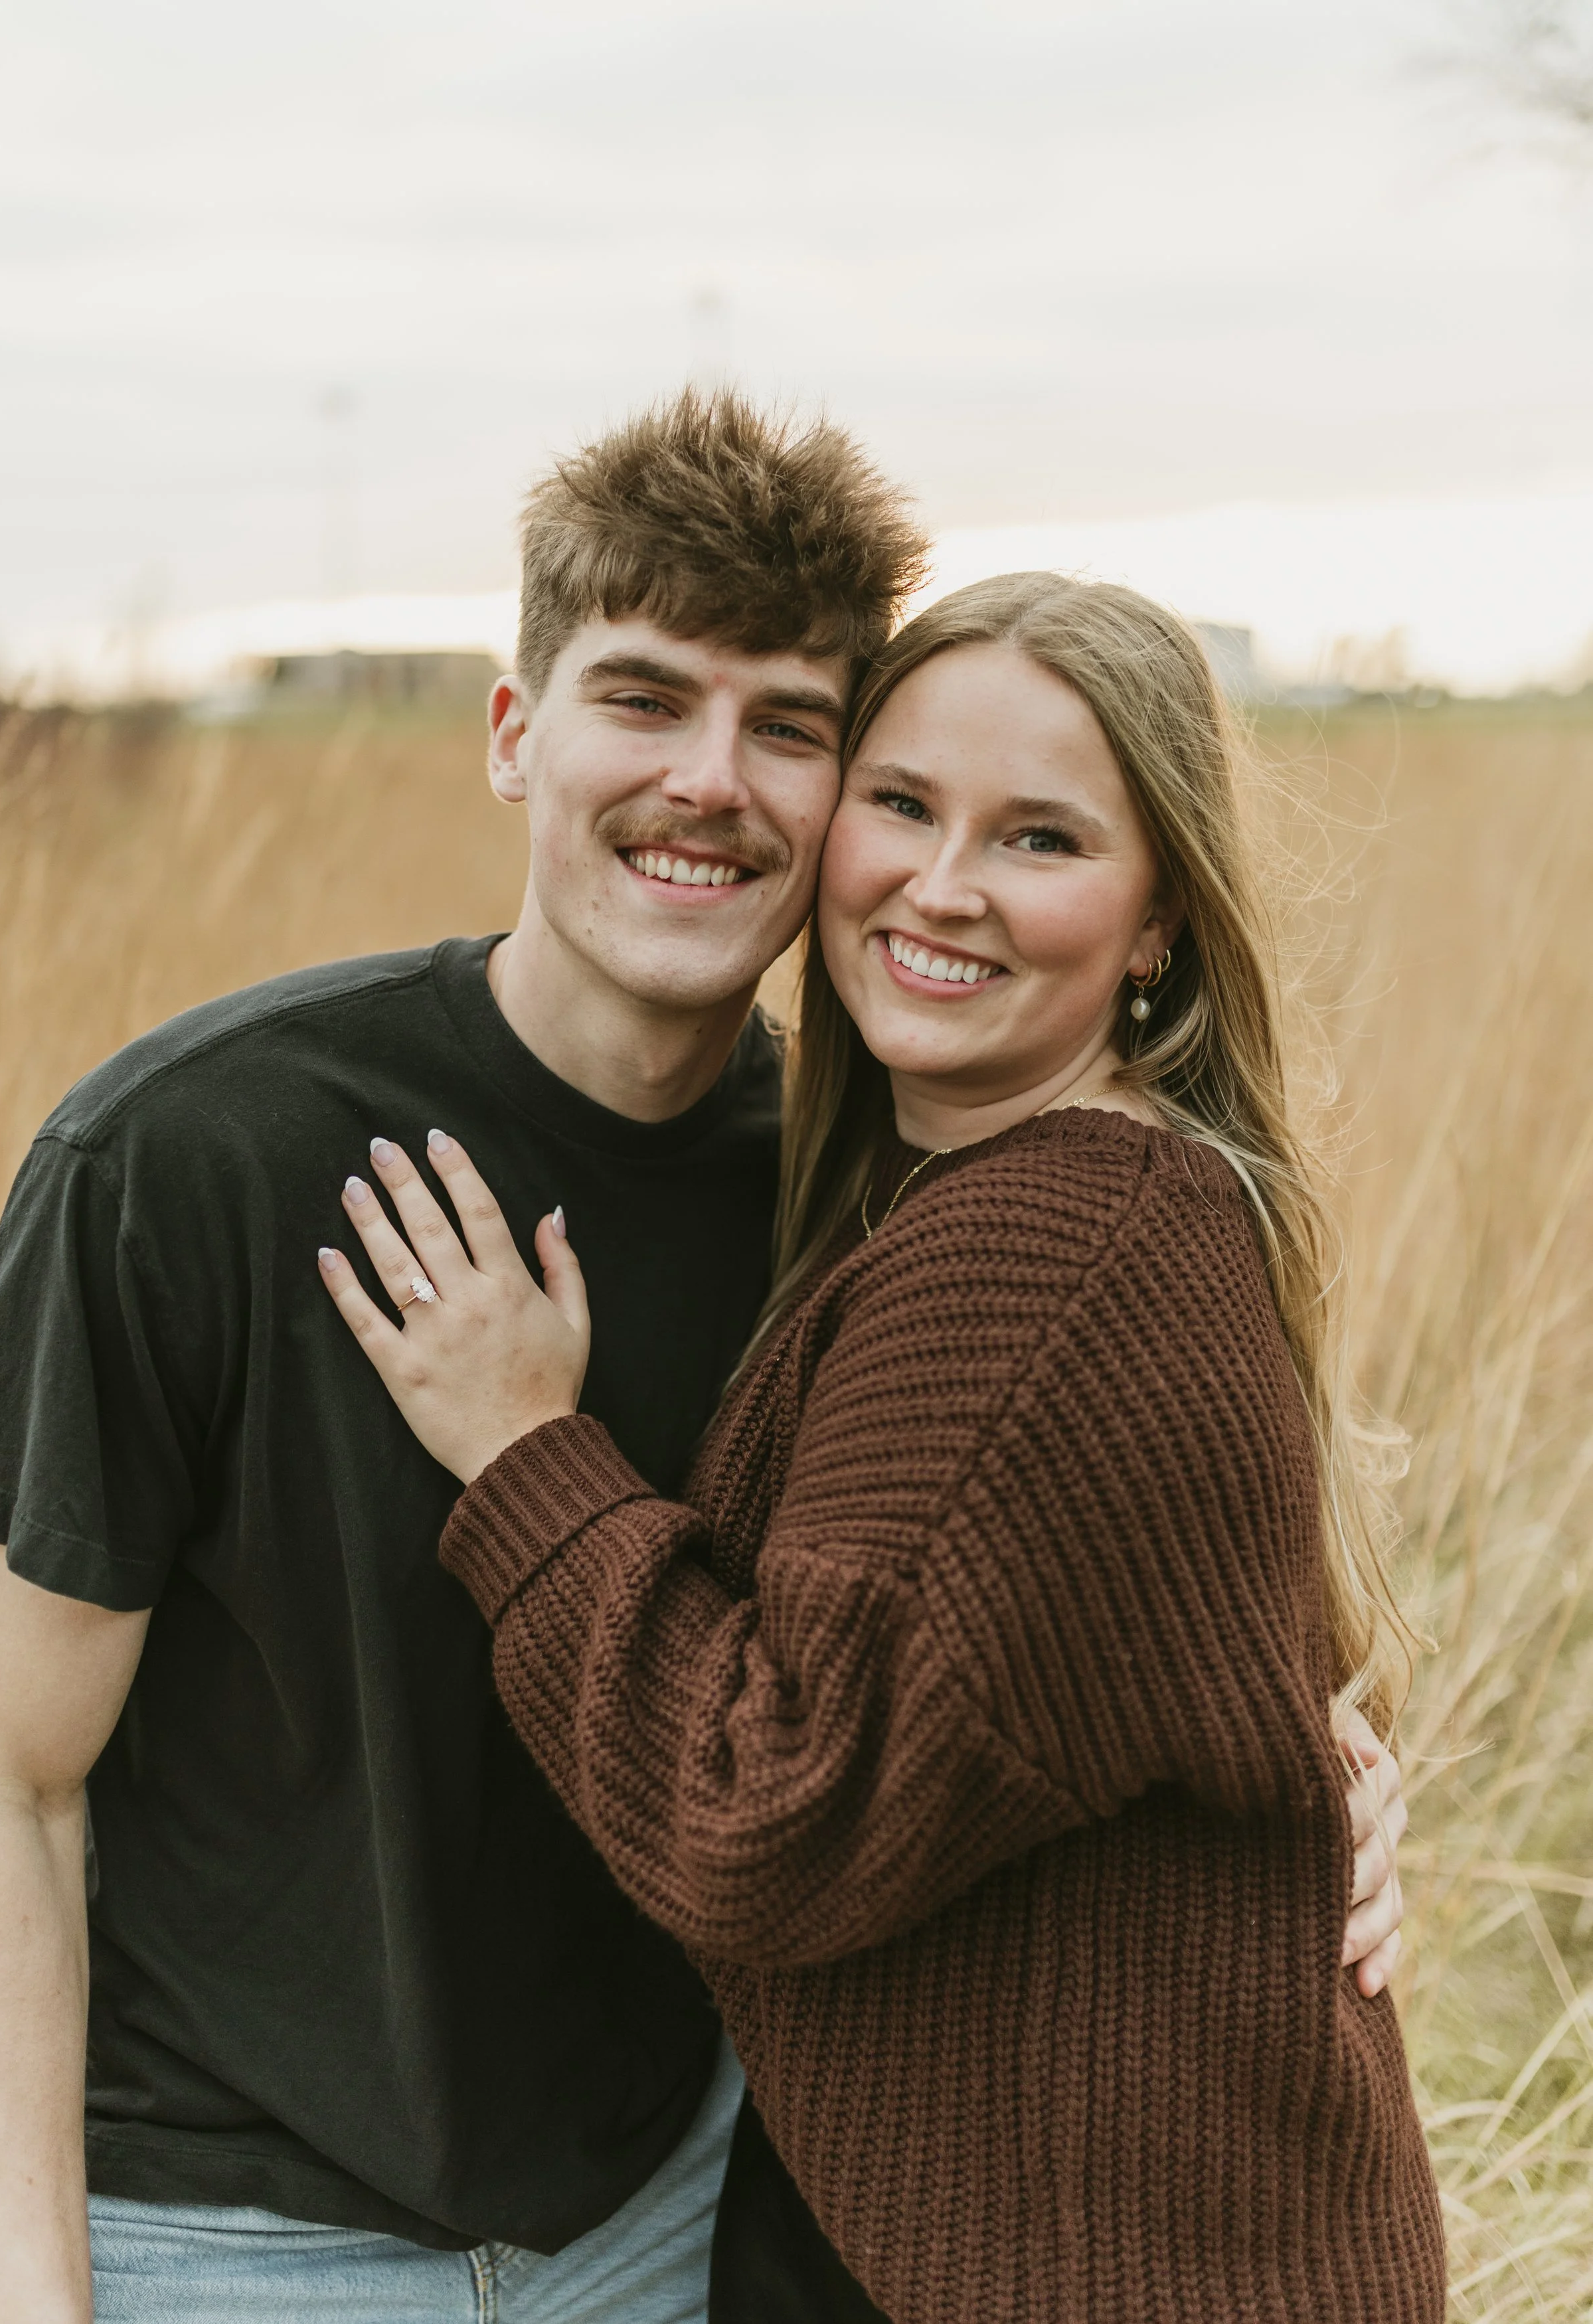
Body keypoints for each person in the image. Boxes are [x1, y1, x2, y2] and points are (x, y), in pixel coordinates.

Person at [0, 396, 1404, 2324]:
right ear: (512, 733)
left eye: (788, 725)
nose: (710, 782)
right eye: (642, 698)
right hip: (234, 2248)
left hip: (664, 2236)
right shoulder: (190, 1155)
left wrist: (1303, 1787)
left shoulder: (865, 1202)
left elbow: (965, 1661)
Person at [316, 569, 1445, 2321]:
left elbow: (764, 1817)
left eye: (1041, 839)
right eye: (902, 804)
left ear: (1158, 917)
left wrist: (525, 1452)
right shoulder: (1025, 1192)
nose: (941, 884)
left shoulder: (1044, 1251)